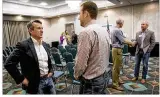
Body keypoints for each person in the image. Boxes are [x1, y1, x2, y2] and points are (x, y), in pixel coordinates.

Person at [4, 20, 56, 94]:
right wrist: (22, 79)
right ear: (30, 30)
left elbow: (48, 61)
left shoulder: (45, 44)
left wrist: (51, 71)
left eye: (42, 28)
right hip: (35, 83)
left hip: (49, 79)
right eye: (38, 28)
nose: (42, 31)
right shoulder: (23, 45)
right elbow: (8, 63)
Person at [74, 1, 110, 94]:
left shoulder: (86, 32)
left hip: (91, 82)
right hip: (103, 76)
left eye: (79, 13)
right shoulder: (104, 30)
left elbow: (81, 62)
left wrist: (76, 74)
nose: (78, 17)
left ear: (86, 14)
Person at [111, 18, 135, 91]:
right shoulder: (117, 30)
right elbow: (123, 40)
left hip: (116, 50)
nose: (123, 25)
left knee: (117, 67)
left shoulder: (114, 29)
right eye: (123, 23)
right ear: (120, 23)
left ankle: (117, 80)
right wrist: (131, 43)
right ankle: (115, 84)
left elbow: (122, 39)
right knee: (116, 68)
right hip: (117, 50)